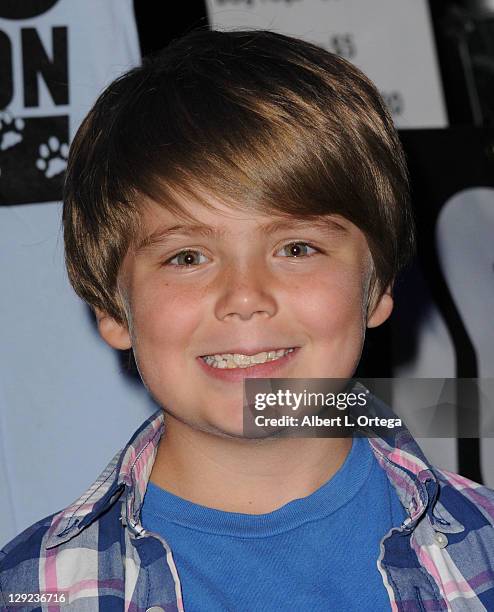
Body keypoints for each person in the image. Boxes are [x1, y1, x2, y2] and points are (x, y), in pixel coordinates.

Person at [1, 28, 493, 612]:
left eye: (297, 248)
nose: (244, 296)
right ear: (112, 309)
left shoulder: (484, 548)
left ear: (378, 285)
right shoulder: (36, 591)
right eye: (187, 257)